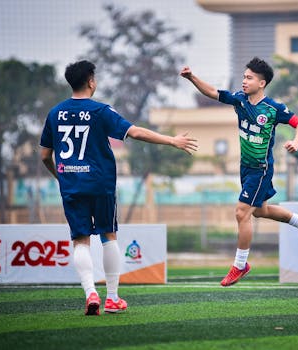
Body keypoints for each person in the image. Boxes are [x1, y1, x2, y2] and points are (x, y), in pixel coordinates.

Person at [40, 60, 198, 315]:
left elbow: (46, 156)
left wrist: (60, 177)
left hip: (71, 185)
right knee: (107, 235)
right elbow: (134, 132)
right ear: (91, 80)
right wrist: (172, 140)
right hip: (100, 184)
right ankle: (112, 297)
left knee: (80, 241)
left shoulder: (54, 113)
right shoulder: (100, 111)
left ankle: (91, 293)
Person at [180, 57, 298, 287]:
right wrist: (192, 77)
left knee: (242, 212)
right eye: (244, 77)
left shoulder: (273, 108)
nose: (244, 81)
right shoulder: (239, 100)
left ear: (261, 83)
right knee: (260, 211)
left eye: (249, 77)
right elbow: (213, 92)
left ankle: (240, 265)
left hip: (261, 170)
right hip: (245, 168)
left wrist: (297, 141)